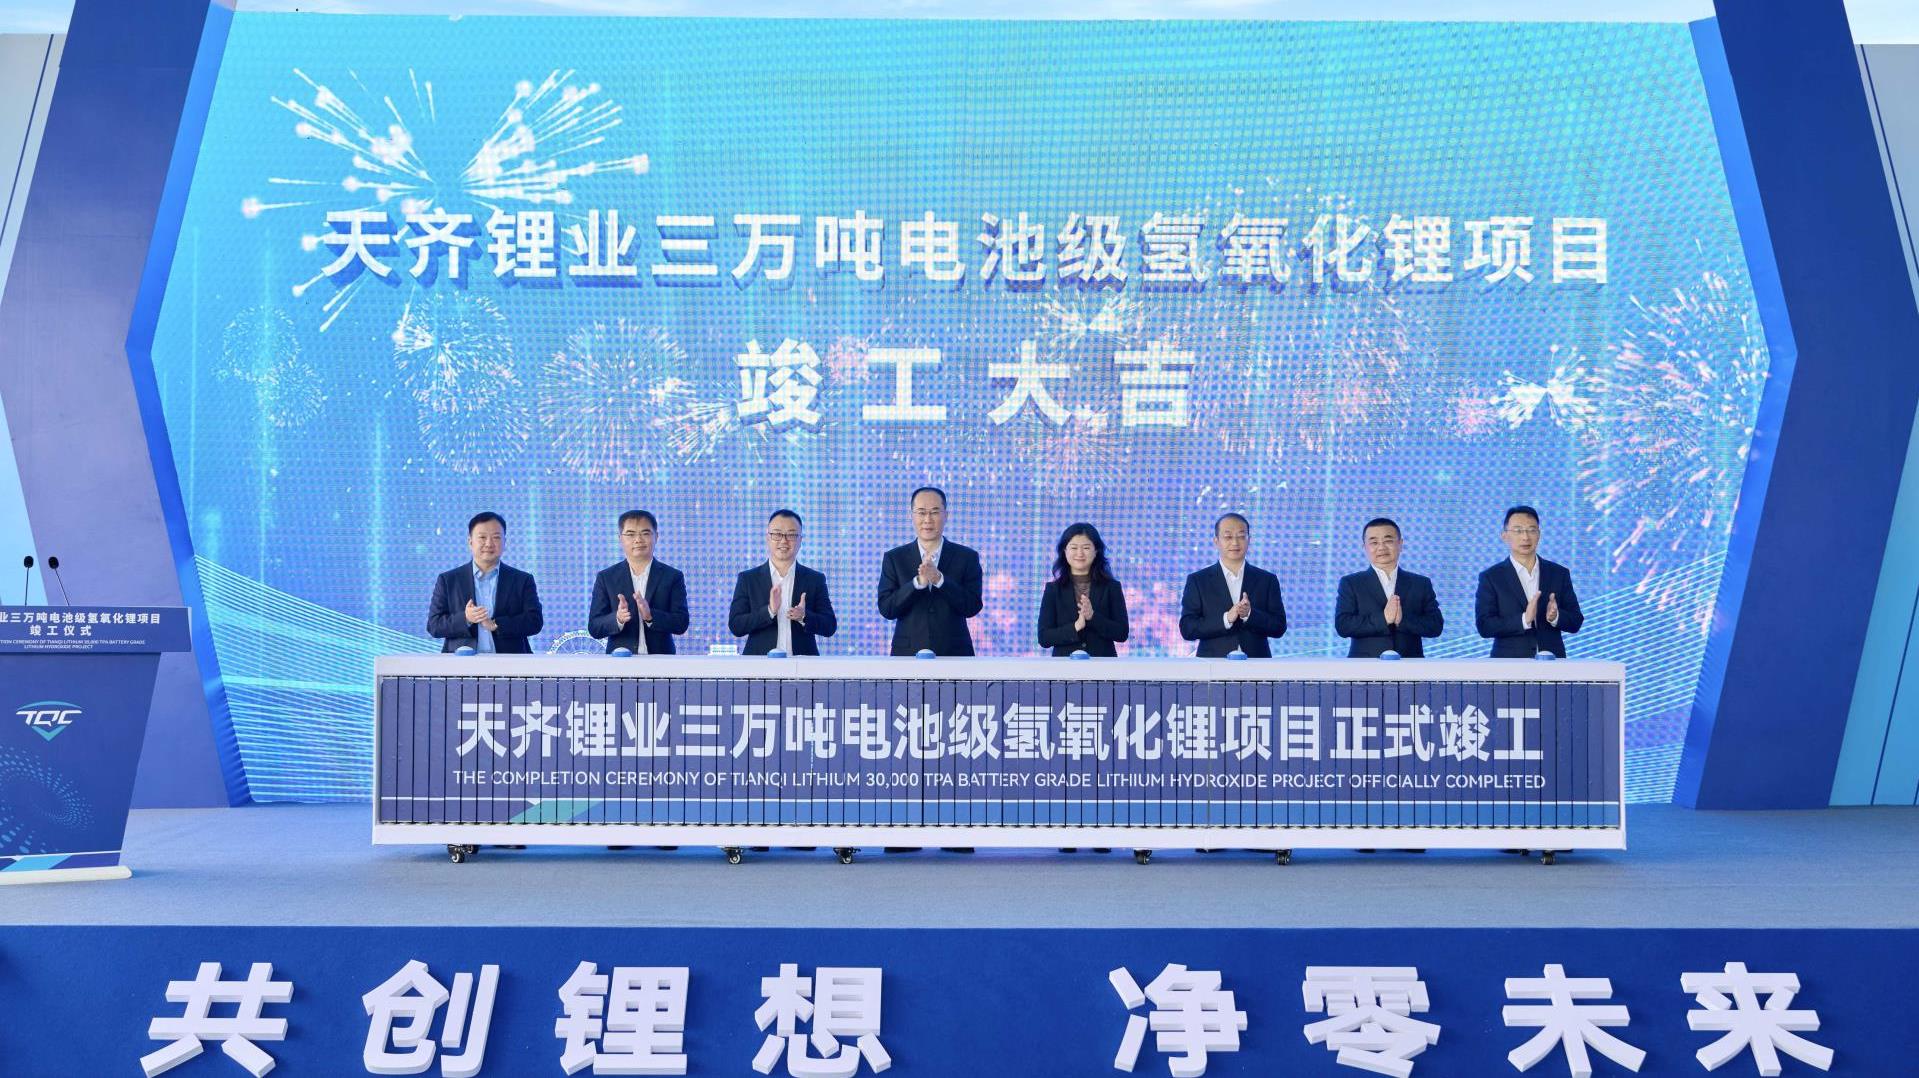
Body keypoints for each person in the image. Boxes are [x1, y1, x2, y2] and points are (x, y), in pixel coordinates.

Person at [877, 486, 983, 656]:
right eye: (921, 512)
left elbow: (972, 607)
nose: (927, 519)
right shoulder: (894, 558)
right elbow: (887, 609)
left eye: (934, 512)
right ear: (911, 516)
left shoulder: (967, 557)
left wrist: (939, 580)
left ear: (946, 515)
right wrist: (917, 584)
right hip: (907, 654)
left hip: (955, 655)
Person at [426, 512, 544, 653]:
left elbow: (534, 621)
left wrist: (497, 625)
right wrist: (466, 618)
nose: (489, 543)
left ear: (504, 542)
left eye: (496, 537)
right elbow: (434, 625)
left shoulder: (522, 580)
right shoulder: (448, 580)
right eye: (482, 537)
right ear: (470, 541)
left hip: (511, 662)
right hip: (461, 663)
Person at [1475, 505, 1583, 657]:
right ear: (1504, 536)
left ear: (1539, 534)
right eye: (1518, 531)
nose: (1525, 537)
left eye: (1532, 530)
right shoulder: (1491, 577)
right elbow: (1485, 626)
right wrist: (1524, 620)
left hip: (1553, 663)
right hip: (1507, 664)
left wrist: (1556, 617)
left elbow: (1576, 621)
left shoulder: (1559, 573)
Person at [728, 509, 838, 655]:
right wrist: (769, 611)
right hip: (758, 665)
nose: (784, 541)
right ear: (768, 538)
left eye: (791, 535)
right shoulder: (748, 579)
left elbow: (830, 626)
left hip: (803, 665)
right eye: (777, 534)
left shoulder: (815, 579)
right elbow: (736, 626)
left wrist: (804, 616)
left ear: (800, 540)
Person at [1178, 512, 1288, 657]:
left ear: (1249, 540)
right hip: (1212, 665)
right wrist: (1226, 619)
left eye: (1241, 536)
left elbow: (1279, 627)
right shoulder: (1198, 581)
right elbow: (1187, 628)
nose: (1235, 542)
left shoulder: (1267, 580)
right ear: (1216, 541)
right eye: (1228, 537)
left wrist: (1249, 614)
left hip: (1257, 664)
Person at [1335, 517, 1443, 658]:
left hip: (1411, 665)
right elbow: (1343, 625)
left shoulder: (1421, 583)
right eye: (1374, 542)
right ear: (1364, 547)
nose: (1381, 547)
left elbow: (1435, 626)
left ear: (1400, 544)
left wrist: (1403, 620)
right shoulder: (1351, 583)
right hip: (1363, 666)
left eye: (1388, 541)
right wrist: (1384, 619)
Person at [587, 510, 690, 655]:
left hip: (662, 662)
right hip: (620, 662)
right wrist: (617, 618)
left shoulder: (672, 576)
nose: (638, 540)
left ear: (656, 536)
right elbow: (594, 627)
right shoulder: (606, 577)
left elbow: (681, 623)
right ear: (620, 538)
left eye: (645, 533)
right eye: (630, 534)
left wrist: (650, 616)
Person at [1037, 523, 1129, 657]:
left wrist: (1093, 617)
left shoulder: (1112, 587)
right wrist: (1075, 627)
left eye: (1086, 547)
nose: (1079, 553)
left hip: (1103, 666)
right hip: (1064, 667)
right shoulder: (1053, 590)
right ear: (1065, 551)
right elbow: (1044, 638)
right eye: (1074, 547)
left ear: (1096, 551)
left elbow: (1122, 633)